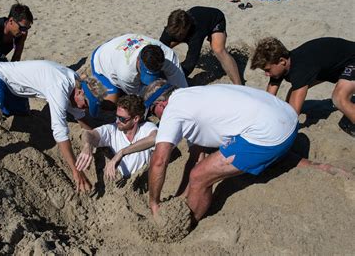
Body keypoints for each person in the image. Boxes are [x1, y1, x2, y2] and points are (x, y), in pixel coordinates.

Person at [144, 79, 341, 221]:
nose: (158, 119)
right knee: (247, 146)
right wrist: (181, 196)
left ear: (161, 104)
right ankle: (320, 167)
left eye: (154, 113)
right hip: (288, 118)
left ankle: (185, 225)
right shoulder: (194, 94)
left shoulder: (173, 110)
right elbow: (197, 155)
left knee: (199, 176)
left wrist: (154, 202)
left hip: (270, 135)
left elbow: (159, 161)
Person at [0, 60, 107, 192]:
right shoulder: (59, 88)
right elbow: (60, 134)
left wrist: (100, 142)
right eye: (87, 104)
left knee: (24, 118)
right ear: (79, 91)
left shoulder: (75, 86)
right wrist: (76, 171)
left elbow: (82, 119)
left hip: (16, 90)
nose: (85, 108)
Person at [251, 37, 355, 136]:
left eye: (267, 70)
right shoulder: (283, 66)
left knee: (339, 98)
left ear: (282, 61)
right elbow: (268, 100)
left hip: (352, 60)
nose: (266, 74)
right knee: (294, 92)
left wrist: (281, 129)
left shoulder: (300, 69)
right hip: (335, 67)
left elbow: (293, 114)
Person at [80, 33, 187, 104]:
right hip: (102, 59)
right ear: (138, 61)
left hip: (119, 44)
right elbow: (140, 98)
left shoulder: (169, 56)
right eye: (146, 73)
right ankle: (84, 78)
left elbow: (183, 90)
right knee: (111, 102)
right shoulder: (126, 72)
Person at [76, 95, 157, 180]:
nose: (117, 121)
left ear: (136, 118)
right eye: (117, 116)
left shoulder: (147, 128)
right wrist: (88, 145)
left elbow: (154, 138)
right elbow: (89, 134)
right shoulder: (112, 129)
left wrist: (122, 152)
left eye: (122, 119)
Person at [160, 7, 241, 85]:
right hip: (196, 19)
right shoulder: (170, 29)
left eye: (180, 34)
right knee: (164, 47)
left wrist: (174, 77)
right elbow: (158, 49)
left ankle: (239, 84)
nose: (177, 36)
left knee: (218, 50)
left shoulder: (196, 34)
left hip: (216, 19)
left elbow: (190, 63)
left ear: (187, 28)